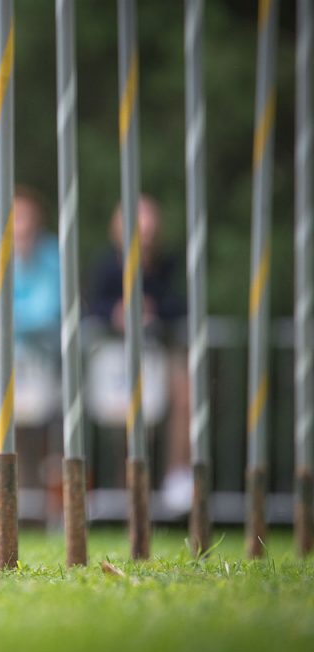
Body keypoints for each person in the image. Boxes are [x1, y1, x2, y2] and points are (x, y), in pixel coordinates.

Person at [86, 195, 191, 513]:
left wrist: (153, 310)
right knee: (121, 423)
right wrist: (116, 314)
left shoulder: (169, 264)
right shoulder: (105, 266)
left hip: (159, 352)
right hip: (112, 357)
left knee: (182, 395)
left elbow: (183, 304)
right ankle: (114, 489)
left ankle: (177, 474)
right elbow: (92, 305)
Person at [0, 185, 61, 350]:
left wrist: (6, 319)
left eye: (24, 217)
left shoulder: (51, 254)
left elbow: (49, 312)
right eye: (13, 217)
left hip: (43, 354)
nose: (22, 226)